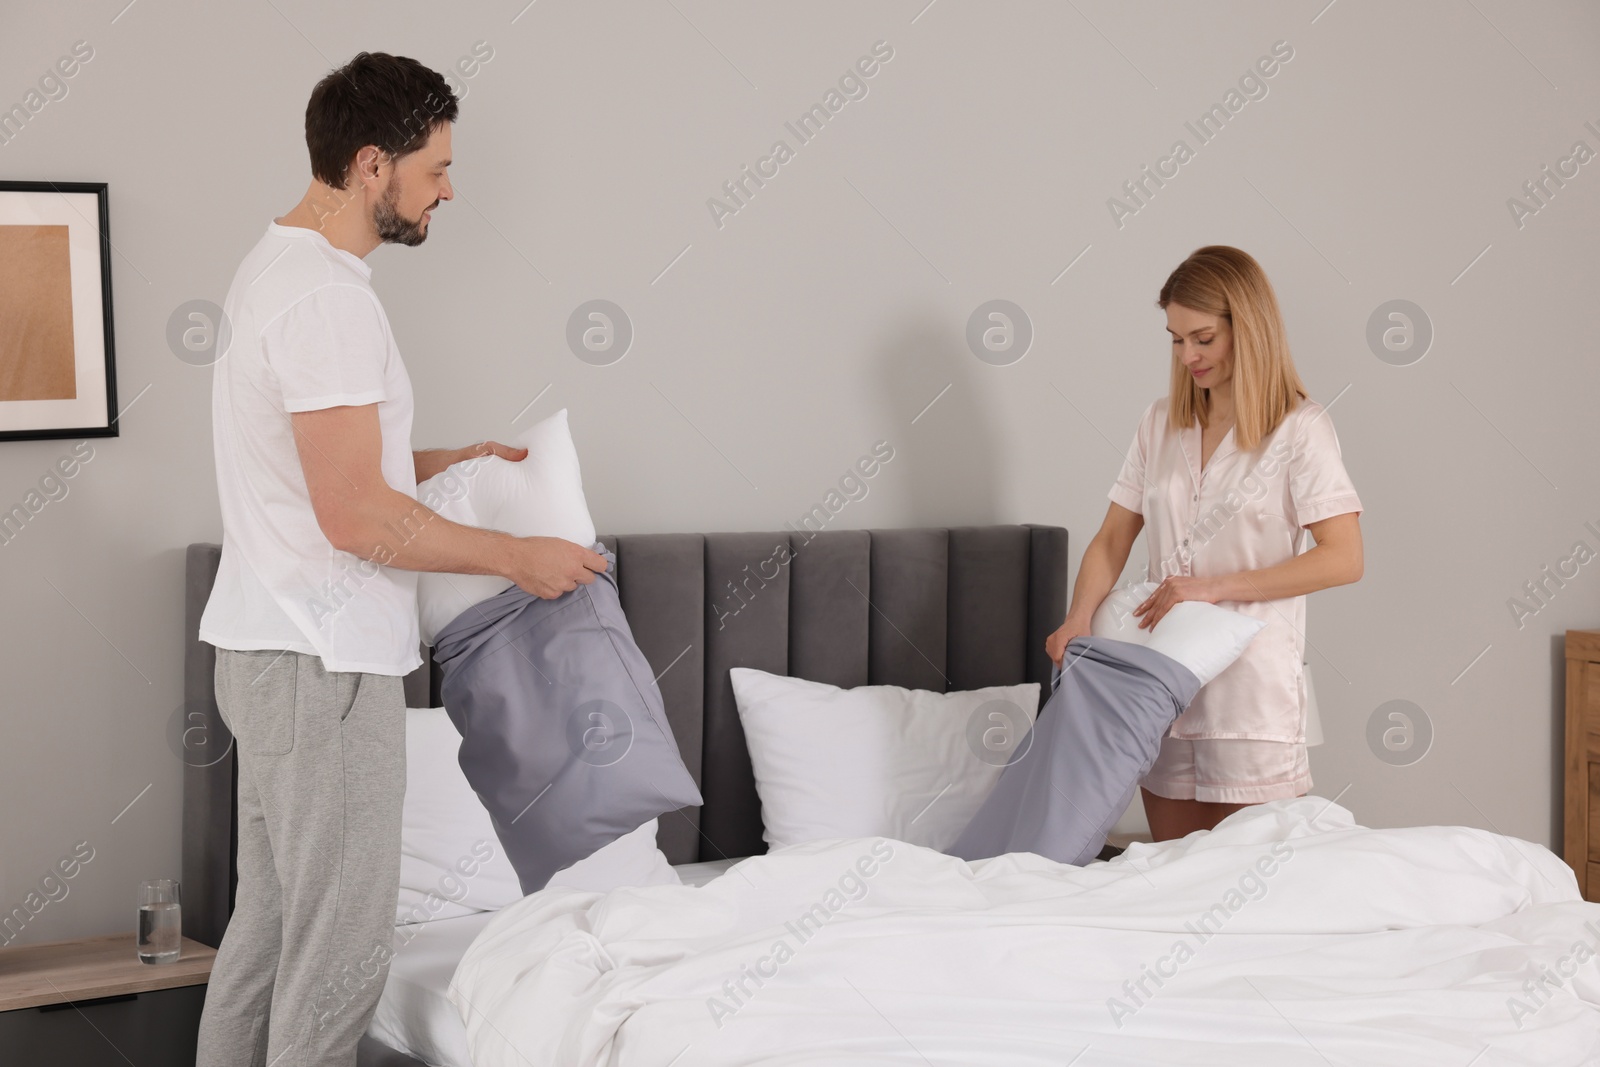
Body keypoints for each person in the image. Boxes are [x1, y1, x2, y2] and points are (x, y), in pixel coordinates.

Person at [194, 52, 605, 1067]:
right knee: (337, 951)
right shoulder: (329, 300)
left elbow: (320, 469)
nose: (449, 189)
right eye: (436, 167)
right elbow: (352, 516)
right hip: (323, 659)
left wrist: (438, 461)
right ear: (372, 165)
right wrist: (516, 554)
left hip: (267, 645)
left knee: (274, 927)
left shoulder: (277, 266)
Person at [1046, 245, 1363, 843]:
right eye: (1174, 339)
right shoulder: (1159, 423)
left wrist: (1212, 588)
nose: (1187, 355)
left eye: (1203, 338)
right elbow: (1114, 536)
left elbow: (1344, 557)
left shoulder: (1301, 429)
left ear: (1249, 329)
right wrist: (1078, 618)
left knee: (1254, 887)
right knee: (1176, 877)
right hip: (1163, 688)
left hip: (1251, 695)